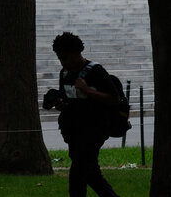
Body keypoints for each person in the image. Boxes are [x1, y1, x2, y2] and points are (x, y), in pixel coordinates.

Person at [51, 31, 120, 197]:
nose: (63, 62)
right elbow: (66, 96)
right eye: (60, 58)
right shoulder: (65, 73)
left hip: (94, 129)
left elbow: (114, 98)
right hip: (73, 130)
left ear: (77, 53)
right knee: (91, 174)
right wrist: (61, 104)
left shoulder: (96, 71)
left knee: (77, 174)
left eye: (65, 58)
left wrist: (87, 90)